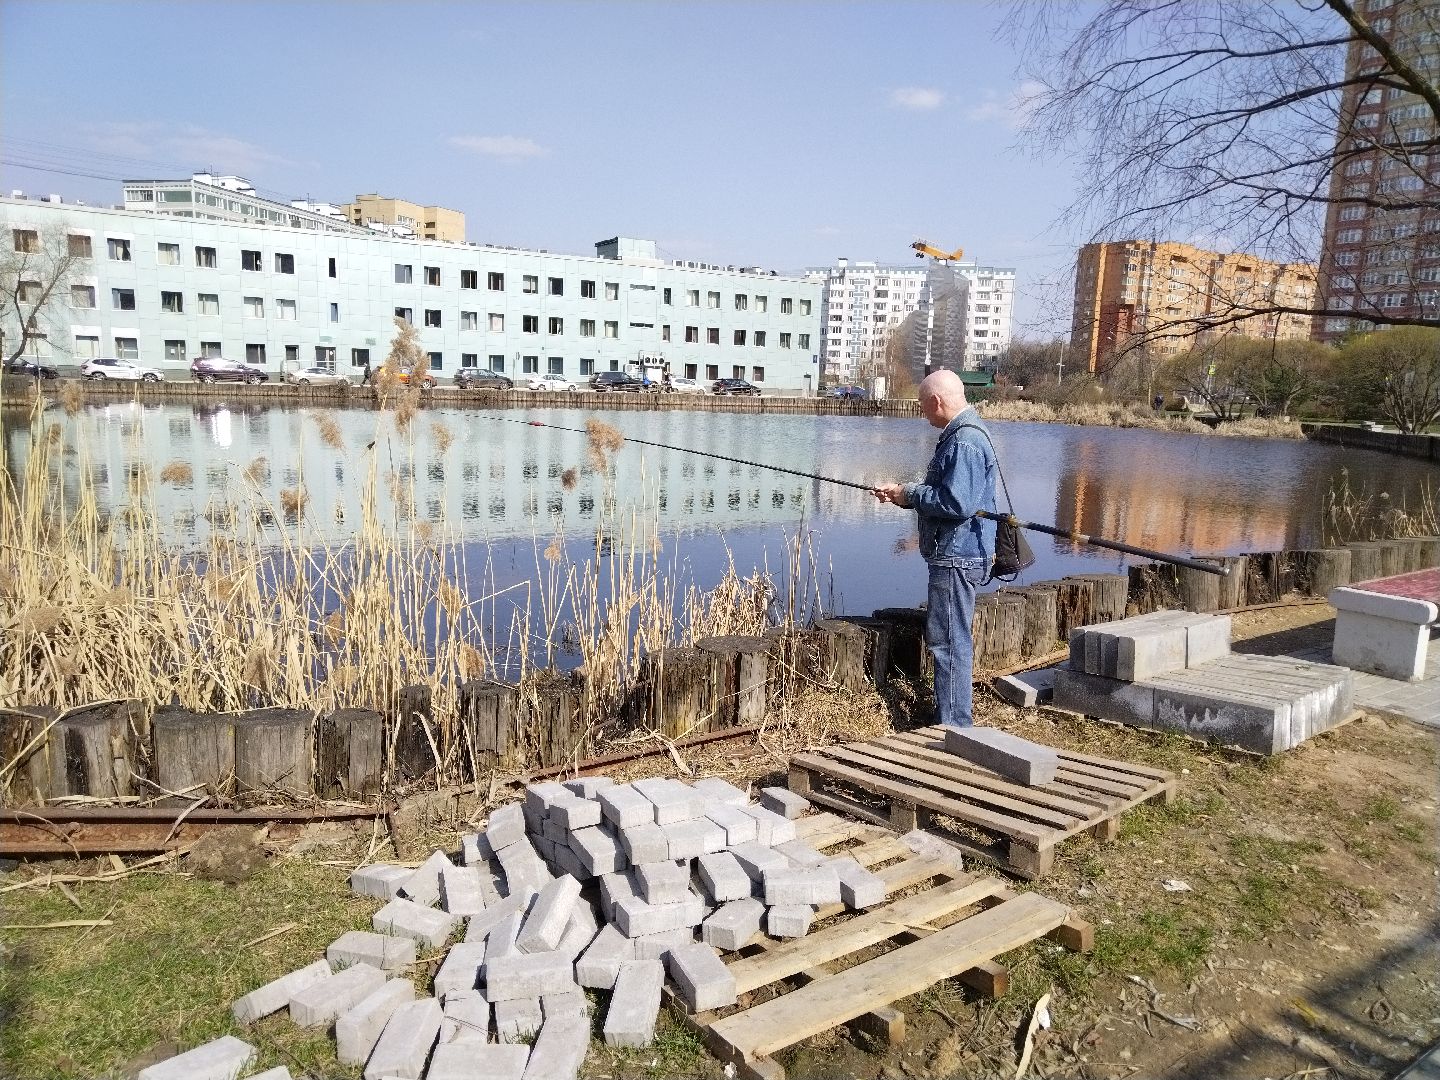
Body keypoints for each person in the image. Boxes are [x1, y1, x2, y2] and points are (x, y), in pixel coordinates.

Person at [871, 369, 997, 729]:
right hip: (957, 552)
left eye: (923, 406)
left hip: (957, 557)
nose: (923, 413)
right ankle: (952, 717)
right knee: (949, 639)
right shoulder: (964, 435)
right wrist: (904, 497)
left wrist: (910, 493)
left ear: (936, 402)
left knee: (949, 643)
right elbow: (951, 498)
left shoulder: (964, 442)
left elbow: (957, 503)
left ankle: (955, 726)